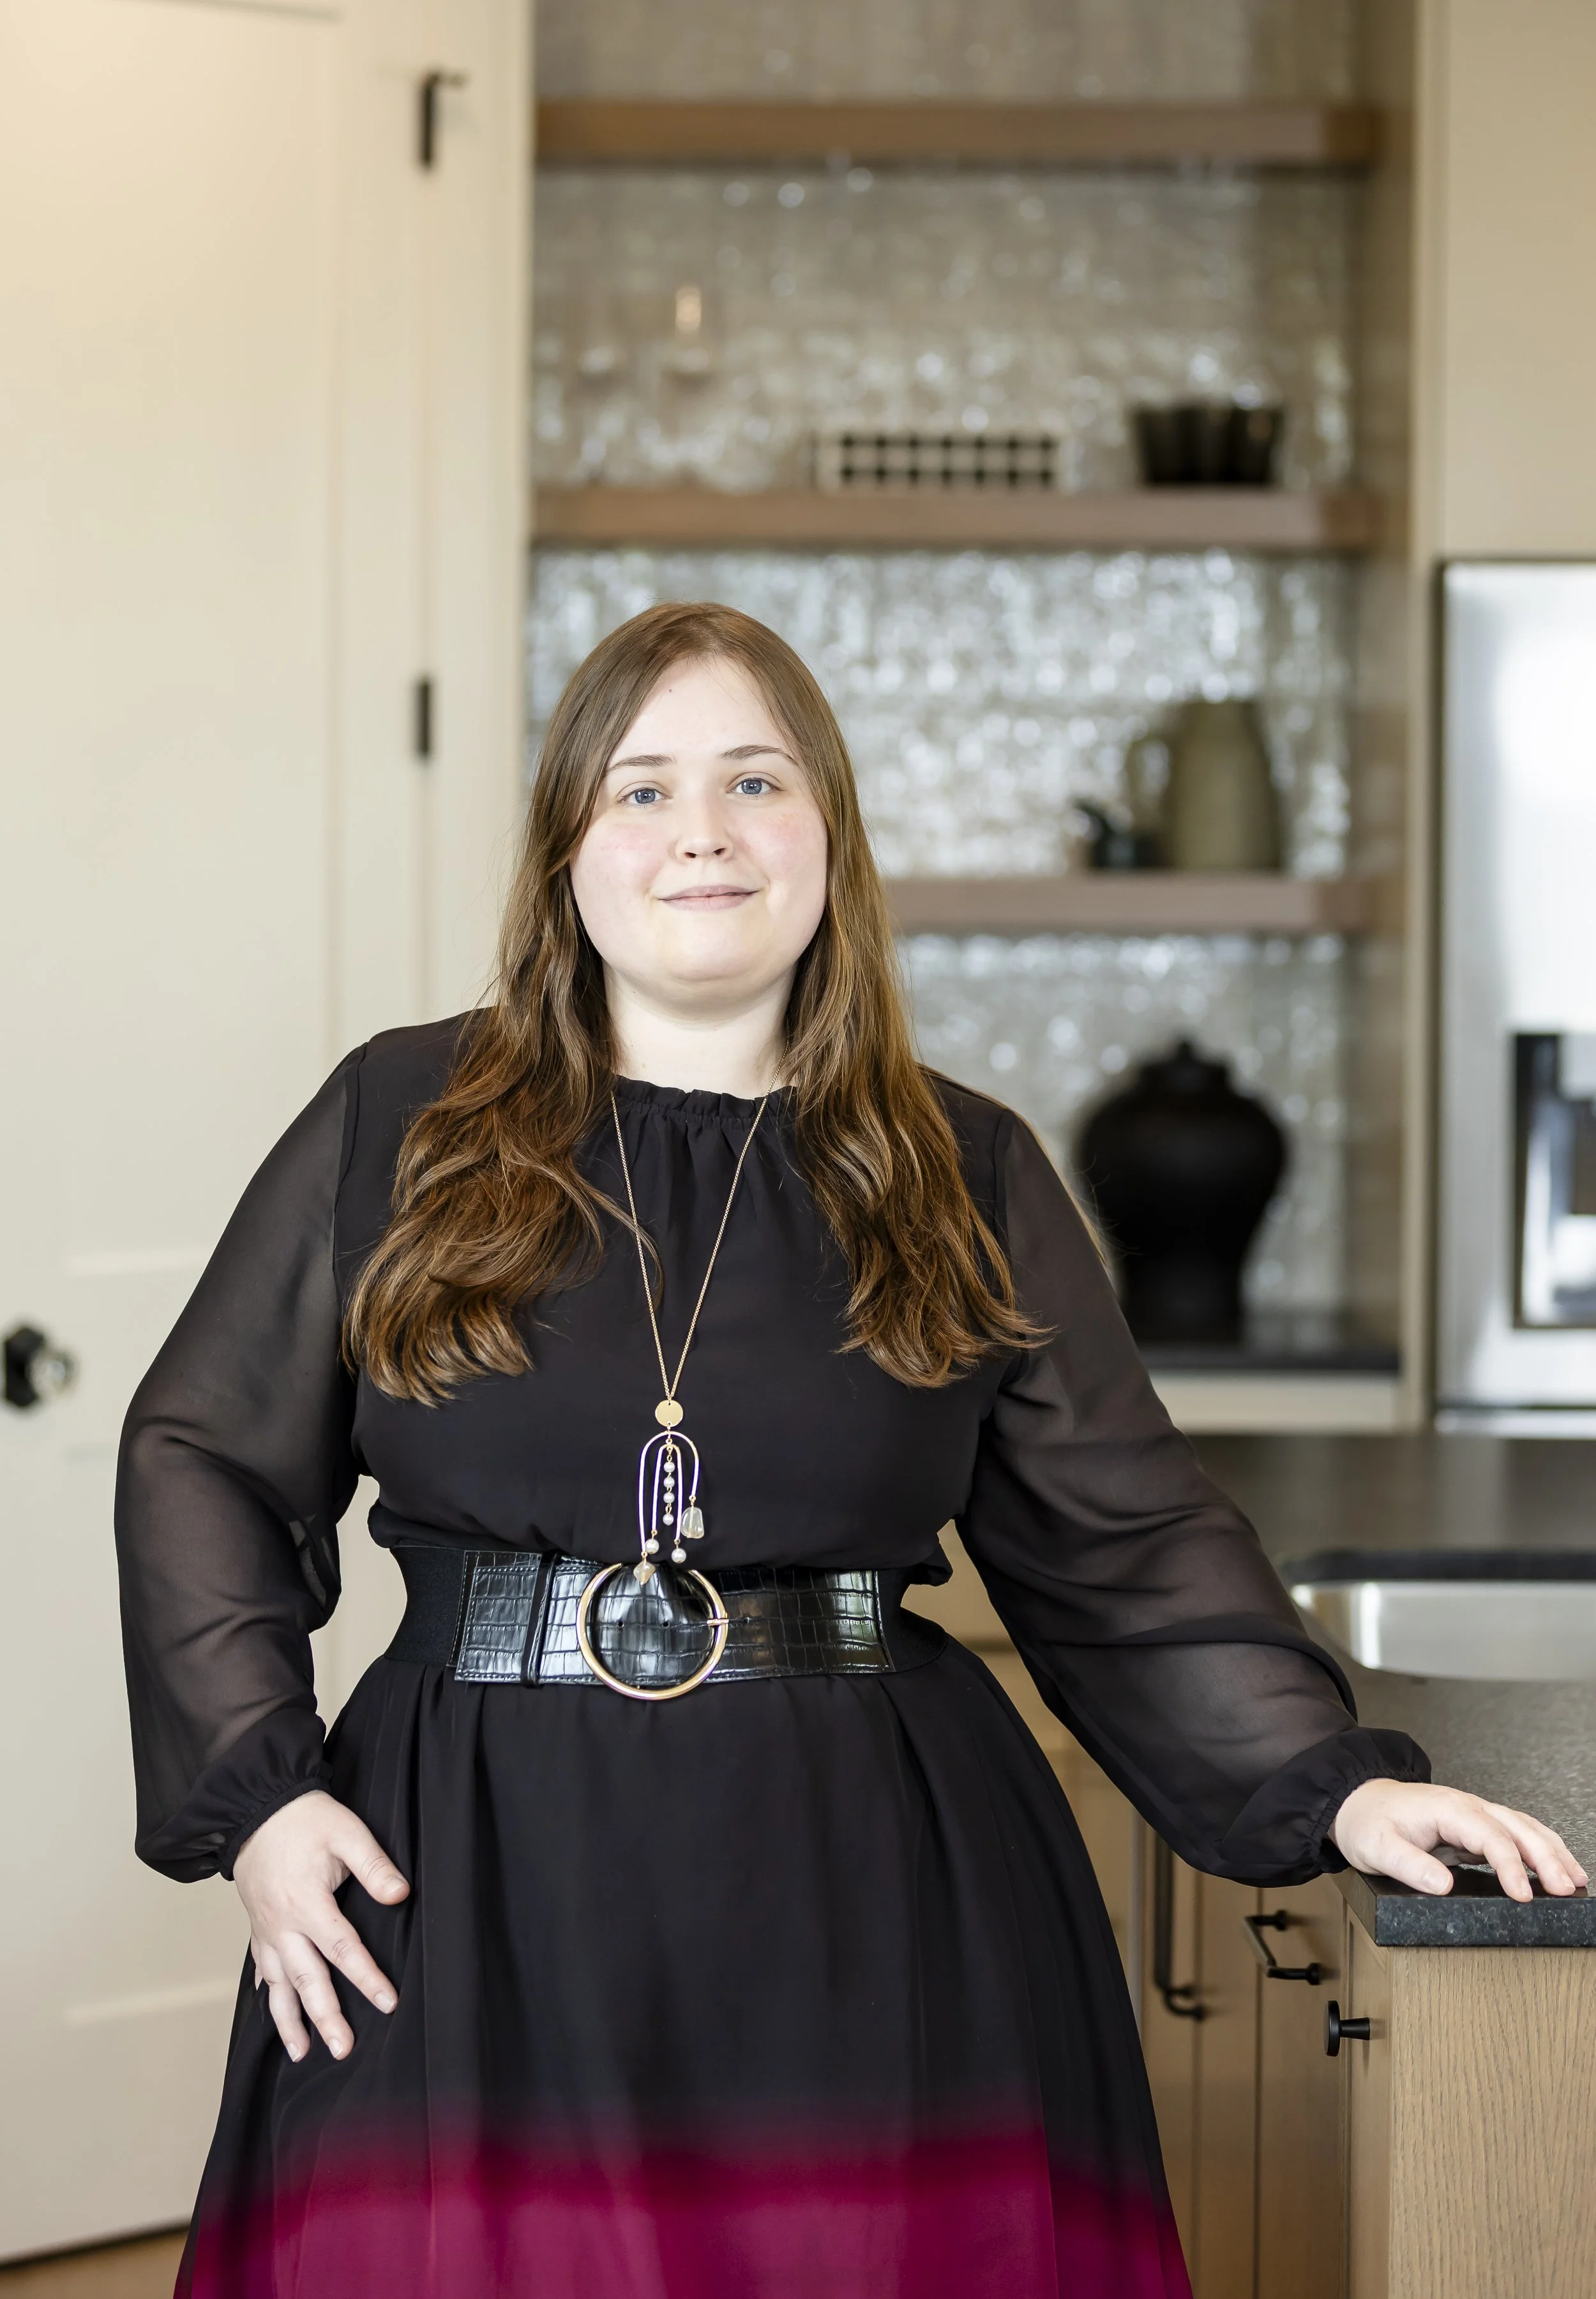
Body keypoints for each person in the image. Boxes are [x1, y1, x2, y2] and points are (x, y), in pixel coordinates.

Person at [117, 602, 1585, 2299]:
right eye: (640, 792)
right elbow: (202, 1455)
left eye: (756, 781)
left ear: (830, 835)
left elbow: (1124, 1542)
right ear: (566, 853)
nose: (704, 837)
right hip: (465, 1873)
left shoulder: (961, 1165)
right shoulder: (399, 1121)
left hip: (873, 1893)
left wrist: (1338, 1785)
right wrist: (264, 1798)